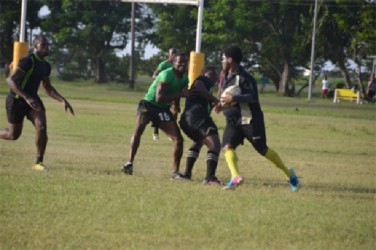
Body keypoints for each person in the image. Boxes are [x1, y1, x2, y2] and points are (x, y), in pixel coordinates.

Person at [216, 45, 300, 191]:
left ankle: (289, 173)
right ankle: (235, 177)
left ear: (230, 59)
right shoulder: (225, 76)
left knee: (262, 149)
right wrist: (220, 104)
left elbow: (253, 97)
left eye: (223, 58)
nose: (222, 61)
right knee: (227, 147)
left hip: (250, 120)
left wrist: (234, 97)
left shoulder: (245, 77)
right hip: (233, 121)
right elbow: (225, 97)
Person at [0, 35, 75, 171]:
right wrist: (26, 98)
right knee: (13, 135)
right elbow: (11, 81)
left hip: (33, 100)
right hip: (16, 100)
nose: (46, 47)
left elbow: (47, 87)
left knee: (42, 127)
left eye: (47, 45)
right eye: (43, 45)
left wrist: (62, 100)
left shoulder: (46, 66)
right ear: (35, 47)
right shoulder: (28, 61)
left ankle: (38, 162)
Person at [122, 52, 189, 179]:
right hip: (149, 104)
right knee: (139, 129)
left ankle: (175, 172)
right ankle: (129, 163)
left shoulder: (185, 78)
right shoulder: (166, 74)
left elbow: (177, 91)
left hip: (163, 109)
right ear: (173, 63)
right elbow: (159, 98)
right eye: (180, 61)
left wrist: (176, 105)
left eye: (185, 62)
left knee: (178, 139)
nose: (183, 64)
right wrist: (180, 96)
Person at [179, 66, 222, 185]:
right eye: (211, 74)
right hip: (197, 118)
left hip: (187, 120)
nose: (214, 77)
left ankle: (187, 174)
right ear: (203, 73)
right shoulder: (202, 80)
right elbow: (198, 85)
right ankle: (210, 178)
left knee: (199, 142)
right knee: (215, 145)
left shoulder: (207, 90)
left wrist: (216, 105)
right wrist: (215, 100)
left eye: (216, 75)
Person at [151, 48, 178, 140]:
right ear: (169, 55)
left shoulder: (177, 65)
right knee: (158, 111)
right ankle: (156, 130)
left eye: (175, 53)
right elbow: (154, 75)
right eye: (172, 53)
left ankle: (171, 132)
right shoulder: (164, 64)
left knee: (174, 111)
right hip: (163, 93)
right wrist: (161, 81)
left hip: (172, 92)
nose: (174, 55)